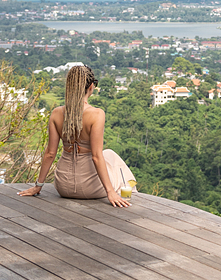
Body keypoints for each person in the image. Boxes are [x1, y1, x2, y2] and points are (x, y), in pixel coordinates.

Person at [18, 64, 135, 208]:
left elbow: (50, 153)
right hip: (91, 188)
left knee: (108, 154)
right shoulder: (97, 114)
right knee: (111, 157)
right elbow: (96, 156)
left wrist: (38, 186)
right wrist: (110, 192)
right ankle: (127, 193)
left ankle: (120, 190)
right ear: (91, 87)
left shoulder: (56, 113)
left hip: (62, 186)